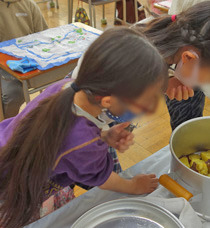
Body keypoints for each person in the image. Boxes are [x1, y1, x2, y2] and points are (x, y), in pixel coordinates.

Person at [0, 27, 167, 228]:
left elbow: (67, 141)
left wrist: (104, 137)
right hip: (12, 193)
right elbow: (103, 178)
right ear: (107, 101)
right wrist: (133, 186)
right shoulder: (86, 144)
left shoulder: (67, 87)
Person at [138, 1, 210, 130]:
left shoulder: (168, 48)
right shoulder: (136, 64)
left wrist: (166, 82)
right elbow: (113, 105)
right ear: (187, 57)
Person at [0, 0, 48, 118]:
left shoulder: (29, 5)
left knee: (59, 83)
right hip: (3, 66)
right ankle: (6, 127)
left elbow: (45, 35)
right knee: (14, 95)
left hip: (29, 62)